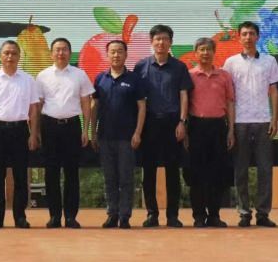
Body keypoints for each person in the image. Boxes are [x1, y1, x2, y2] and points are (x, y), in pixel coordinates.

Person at [222, 20, 278, 228]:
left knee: (265, 169)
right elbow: (228, 96)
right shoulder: (230, 63)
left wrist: (274, 118)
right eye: (244, 34)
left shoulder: (269, 61)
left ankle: (263, 213)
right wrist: (230, 126)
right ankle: (244, 212)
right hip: (240, 121)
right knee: (241, 169)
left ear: (258, 36)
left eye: (252, 33)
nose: (248, 37)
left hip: (263, 120)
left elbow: (274, 91)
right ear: (239, 37)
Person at [133, 24, 192, 228]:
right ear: (151, 42)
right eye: (157, 39)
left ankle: (172, 216)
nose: (161, 42)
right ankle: (152, 214)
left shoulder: (179, 67)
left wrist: (182, 122)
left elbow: (184, 96)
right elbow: (137, 100)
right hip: (149, 123)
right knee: (148, 171)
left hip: (172, 123)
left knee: (172, 171)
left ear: (170, 42)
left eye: (165, 39)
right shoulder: (141, 66)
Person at [0, 40, 40, 229]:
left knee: (20, 176)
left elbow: (33, 110)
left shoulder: (28, 80)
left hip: (20, 130)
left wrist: (33, 134)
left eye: (14, 53)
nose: (10, 56)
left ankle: (20, 217)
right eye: (6, 53)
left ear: (19, 56)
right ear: (0, 56)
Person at [37, 37, 94, 228]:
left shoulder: (79, 74)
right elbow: (38, 105)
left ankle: (70, 216)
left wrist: (86, 130)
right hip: (49, 126)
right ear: (51, 53)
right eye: (57, 49)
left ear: (70, 52)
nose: (60, 53)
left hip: (72, 126)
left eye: (64, 49)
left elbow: (86, 103)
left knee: (71, 172)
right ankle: (54, 216)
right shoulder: (42, 76)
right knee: (51, 173)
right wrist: (35, 132)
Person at [91, 40, 147, 229]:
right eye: (112, 52)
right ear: (107, 55)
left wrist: (138, 132)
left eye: (120, 51)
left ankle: (124, 216)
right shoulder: (100, 78)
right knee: (109, 179)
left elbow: (142, 107)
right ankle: (112, 214)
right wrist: (93, 133)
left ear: (126, 55)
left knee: (126, 179)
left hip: (127, 138)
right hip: (105, 137)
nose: (116, 55)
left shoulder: (134, 79)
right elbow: (95, 107)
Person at [187, 38, 236, 228]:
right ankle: (199, 216)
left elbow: (230, 102)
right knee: (197, 174)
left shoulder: (224, 76)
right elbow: (184, 103)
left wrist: (230, 130)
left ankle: (214, 215)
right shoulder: (190, 76)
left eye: (208, 49)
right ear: (196, 53)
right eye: (201, 49)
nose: (205, 53)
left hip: (218, 127)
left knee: (217, 173)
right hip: (196, 127)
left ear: (214, 52)